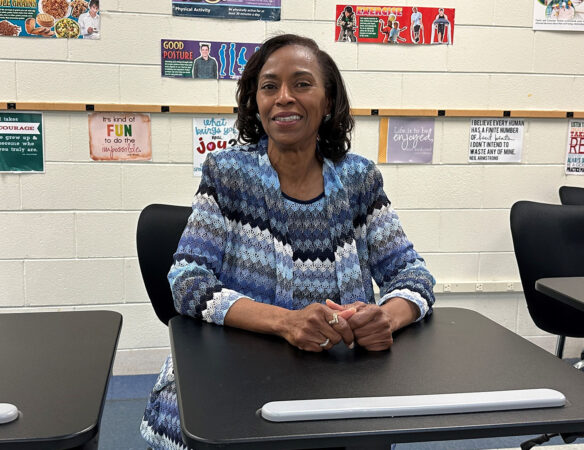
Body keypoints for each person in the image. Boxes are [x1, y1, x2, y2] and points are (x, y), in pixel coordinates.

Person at [140, 33, 435, 449]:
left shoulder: (359, 179)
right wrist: (286, 322)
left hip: (340, 379)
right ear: (255, 103)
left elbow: (412, 275)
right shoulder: (227, 174)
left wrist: (387, 316)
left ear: (328, 101)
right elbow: (188, 280)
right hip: (237, 373)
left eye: (302, 83)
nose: (284, 97)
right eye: (269, 86)